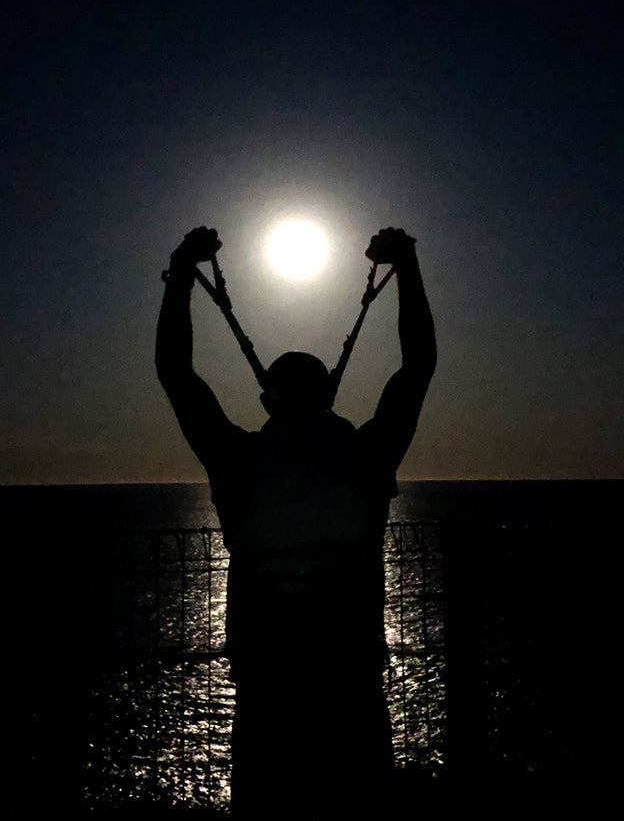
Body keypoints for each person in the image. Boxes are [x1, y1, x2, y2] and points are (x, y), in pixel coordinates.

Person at [156, 225, 436, 813]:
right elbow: (417, 368)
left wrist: (183, 271)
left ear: (268, 399)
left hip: (270, 684)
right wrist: (404, 265)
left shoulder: (239, 460)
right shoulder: (366, 454)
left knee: (271, 814)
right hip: (351, 678)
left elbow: (176, 375)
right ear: (330, 394)